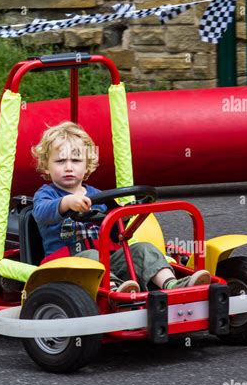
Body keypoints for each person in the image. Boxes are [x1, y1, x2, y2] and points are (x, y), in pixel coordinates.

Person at [31, 121, 211, 293]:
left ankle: (172, 285)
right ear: (46, 166)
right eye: (60, 161)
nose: (69, 167)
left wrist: (121, 219)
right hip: (64, 265)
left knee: (143, 249)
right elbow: (41, 213)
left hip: (107, 260)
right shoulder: (46, 195)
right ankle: (115, 291)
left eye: (76, 160)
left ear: (87, 165)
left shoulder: (98, 195)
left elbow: (116, 235)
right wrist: (66, 203)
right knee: (92, 257)